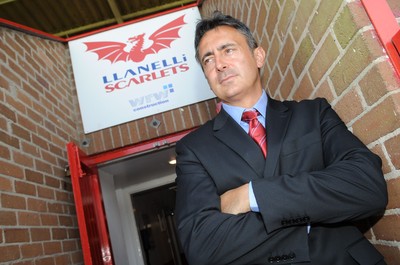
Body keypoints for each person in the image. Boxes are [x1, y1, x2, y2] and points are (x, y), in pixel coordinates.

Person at [174, 11, 388, 265]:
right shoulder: (194, 149)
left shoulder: (313, 114)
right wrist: (314, 210)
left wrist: (252, 195)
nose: (219, 64)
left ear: (258, 56)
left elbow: (366, 187)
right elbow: (203, 246)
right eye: (208, 60)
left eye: (228, 50)